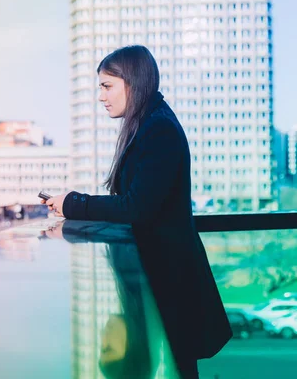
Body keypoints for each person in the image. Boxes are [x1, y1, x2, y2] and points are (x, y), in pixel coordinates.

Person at [42, 45, 232, 378]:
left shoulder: (157, 129)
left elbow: (137, 206)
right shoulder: (149, 124)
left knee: (171, 364)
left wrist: (72, 202)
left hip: (168, 279)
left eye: (107, 86)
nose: (100, 96)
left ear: (132, 82)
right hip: (161, 275)